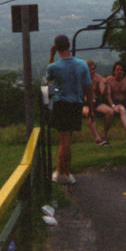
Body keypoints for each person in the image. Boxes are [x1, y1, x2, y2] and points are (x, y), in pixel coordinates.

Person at [46, 34, 94, 185]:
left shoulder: (54, 66)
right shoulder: (82, 65)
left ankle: (63, 172)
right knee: (67, 141)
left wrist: (51, 55)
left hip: (61, 104)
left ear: (57, 48)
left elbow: (48, 79)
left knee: (64, 141)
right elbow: (89, 88)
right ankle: (62, 171)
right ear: (69, 46)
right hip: (76, 105)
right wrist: (91, 109)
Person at [82, 60, 114, 146]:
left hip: (95, 102)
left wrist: (105, 84)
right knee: (89, 113)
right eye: (90, 69)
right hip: (83, 103)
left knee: (110, 112)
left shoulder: (98, 77)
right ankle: (97, 138)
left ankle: (104, 135)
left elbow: (102, 91)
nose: (92, 71)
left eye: (93, 69)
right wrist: (87, 99)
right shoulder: (80, 78)